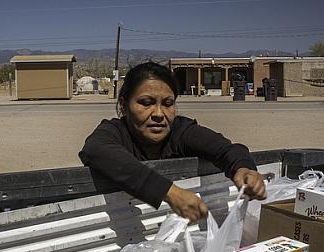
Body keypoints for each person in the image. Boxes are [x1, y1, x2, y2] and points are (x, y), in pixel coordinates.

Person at [79, 61, 266, 222]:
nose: (159, 114)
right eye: (146, 103)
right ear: (123, 105)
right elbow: (96, 149)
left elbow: (226, 149)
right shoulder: (115, 132)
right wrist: (170, 192)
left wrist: (243, 168)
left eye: (168, 104)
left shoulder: (181, 131)